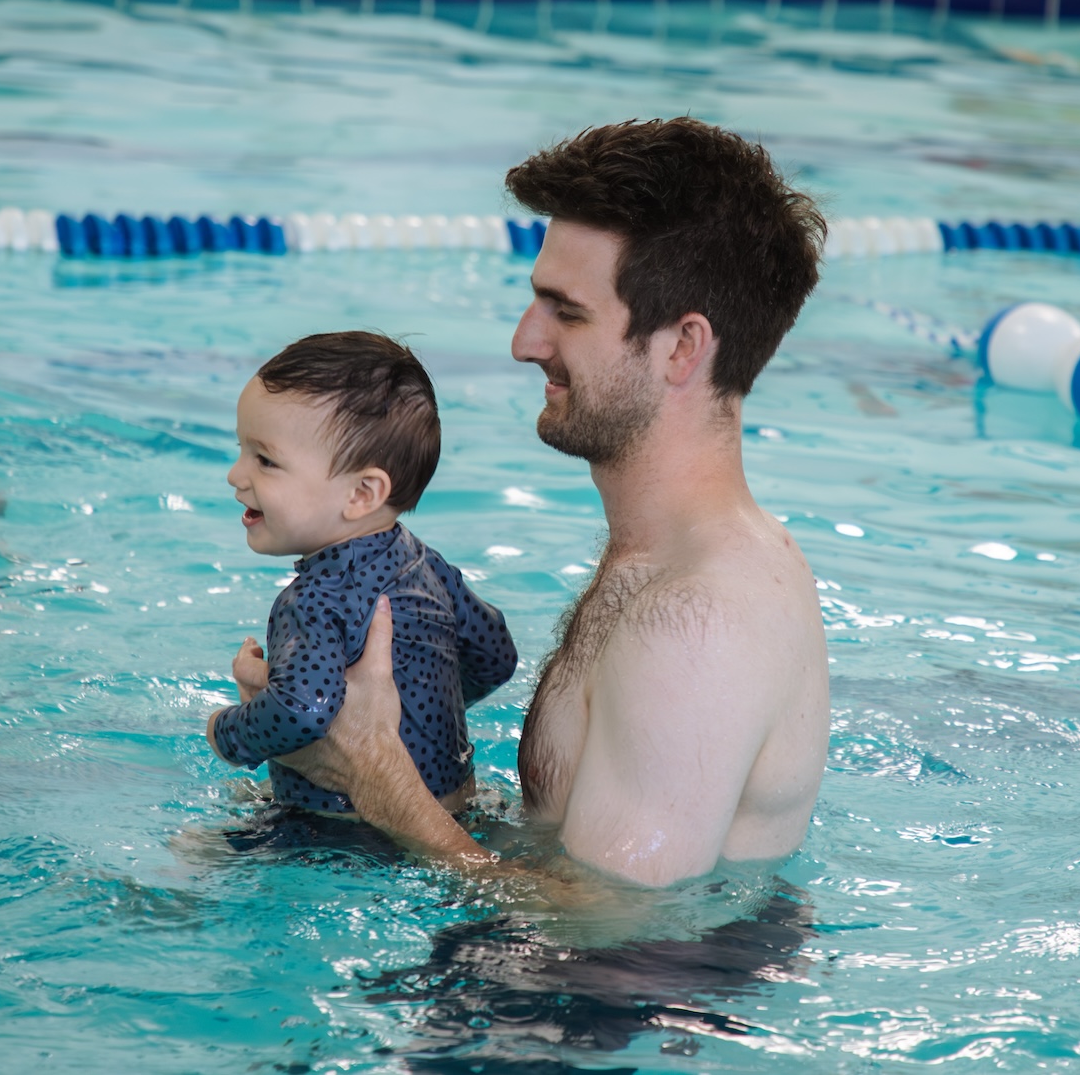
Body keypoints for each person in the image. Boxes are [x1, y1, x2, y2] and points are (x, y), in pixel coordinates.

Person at [275, 118, 832, 891]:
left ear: (681, 347)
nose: (524, 341)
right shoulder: (661, 556)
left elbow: (610, 925)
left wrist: (378, 777)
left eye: (566, 311)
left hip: (617, 1006)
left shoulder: (699, 624)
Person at [206, 331, 519, 823]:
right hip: (459, 810)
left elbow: (301, 712)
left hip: (341, 834)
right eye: (242, 449)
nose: (236, 474)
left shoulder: (312, 600)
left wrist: (226, 732)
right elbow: (496, 654)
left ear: (361, 494)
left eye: (264, 460)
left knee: (187, 863)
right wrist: (423, 705)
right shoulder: (425, 563)